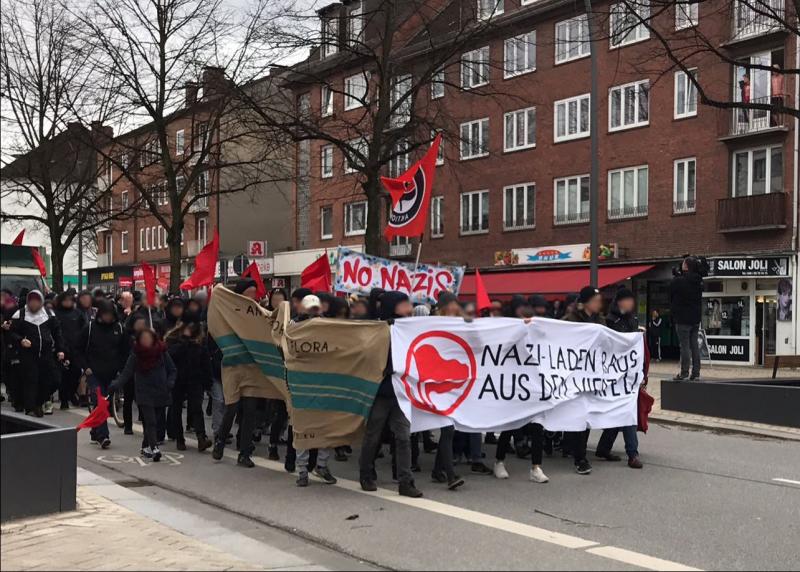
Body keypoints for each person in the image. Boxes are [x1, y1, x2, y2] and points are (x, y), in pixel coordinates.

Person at [359, 291, 422, 498]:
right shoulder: (377, 328)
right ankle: (366, 474)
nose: (408, 308)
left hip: (401, 392)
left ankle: (405, 481)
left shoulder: (410, 328)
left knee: (404, 436)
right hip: (381, 391)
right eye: (403, 304)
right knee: (373, 436)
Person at [212, 279, 263, 468]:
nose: (252, 296)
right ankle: (221, 440)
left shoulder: (259, 313)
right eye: (248, 292)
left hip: (252, 369)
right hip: (233, 367)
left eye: (254, 292)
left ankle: (245, 452)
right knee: (231, 408)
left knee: (250, 411)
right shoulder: (230, 313)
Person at [109, 328, 176, 462]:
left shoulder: (161, 352)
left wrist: (170, 383)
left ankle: (146, 445)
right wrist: (116, 385)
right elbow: (127, 373)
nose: (146, 341)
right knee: (150, 421)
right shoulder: (136, 355)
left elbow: (172, 369)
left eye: (148, 338)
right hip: (144, 392)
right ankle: (154, 447)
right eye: (143, 338)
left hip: (161, 391)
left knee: (155, 421)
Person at [596, 287, 644, 469]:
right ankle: (633, 454)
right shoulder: (610, 321)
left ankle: (604, 447)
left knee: (623, 410)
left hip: (628, 372)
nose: (629, 304)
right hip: (612, 372)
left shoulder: (632, 319)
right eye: (626, 300)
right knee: (624, 412)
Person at [293, 295, 338, 487]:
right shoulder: (293, 328)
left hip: (324, 383)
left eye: (315, 309)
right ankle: (302, 470)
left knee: (326, 426)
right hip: (301, 384)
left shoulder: (329, 327)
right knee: (303, 427)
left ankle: (321, 465)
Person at [562, 286, 605, 475]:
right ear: (586, 302)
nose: (599, 303)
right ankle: (580, 458)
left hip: (591, 377)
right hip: (574, 376)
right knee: (577, 415)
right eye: (595, 300)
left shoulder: (600, 321)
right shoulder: (570, 320)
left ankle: (575, 449)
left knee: (586, 418)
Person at [76, 299, 128, 448]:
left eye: (110, 315)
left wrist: (121, 368)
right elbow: (78, 349)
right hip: (94, 373)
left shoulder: (119, 328)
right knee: (100, 403)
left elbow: (125, 350)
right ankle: (103, 435)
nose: (107, 318)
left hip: (112, 372)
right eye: (105, 314)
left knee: (106, 403)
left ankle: (94, 430)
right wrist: (85, 367)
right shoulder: (90, 328)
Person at [8, 290, 65, 417]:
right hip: (28, 353)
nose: (34, 303)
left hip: (46, 353)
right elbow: (12, 333)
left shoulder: (49, 314)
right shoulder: (20, 314)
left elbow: (57, 333)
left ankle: (39, 401)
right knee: (31, 380)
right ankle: (30, 407)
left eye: (37, 301)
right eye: (31, 301)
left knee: (53, 379)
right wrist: (21, 340)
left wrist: (60, 349)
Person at [53, 291, 89, 409]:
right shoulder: (56, 314)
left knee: (76, 373)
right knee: (63, 376)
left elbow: (85, 329)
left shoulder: (78, 313)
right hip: (61, 349)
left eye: (70, 300)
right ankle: (64, 400)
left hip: (76, 349)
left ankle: (71, 393)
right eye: (65, 300)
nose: (68, 302)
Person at [670, 257, 703, 381]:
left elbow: (672, 291)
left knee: (684, 346)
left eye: (683, 263)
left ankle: (684, 372)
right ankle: (696, 372)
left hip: (682, 318)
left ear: (686, 267)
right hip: (695, 318)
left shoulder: (679, 281)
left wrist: (677, 276)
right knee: (694, 345)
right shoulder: (698, 281)